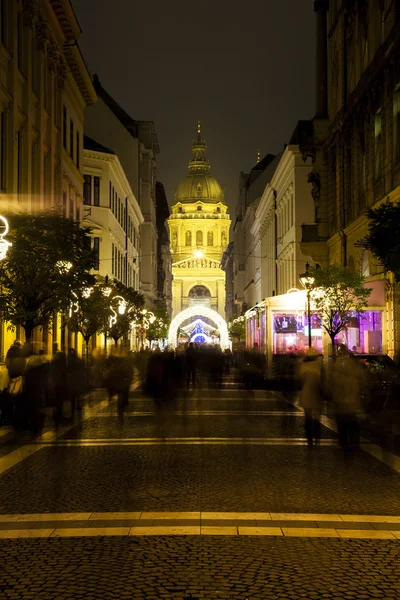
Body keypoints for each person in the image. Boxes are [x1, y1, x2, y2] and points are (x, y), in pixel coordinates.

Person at [332, 344, 363, 453]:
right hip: (348, 400)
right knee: (350, 422)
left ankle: (346, 442)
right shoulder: (351, 368)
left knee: (344, 423)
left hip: (343, 400)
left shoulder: (340, 366)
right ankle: (352, 442)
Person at [298, 348, 322, 447]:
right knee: (316, 418)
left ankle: (310, 439)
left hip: (307, 393)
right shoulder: (319, 366)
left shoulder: (303, 366)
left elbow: (300, 380)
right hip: (316, 394)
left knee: (308, 418)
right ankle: (316, 438)